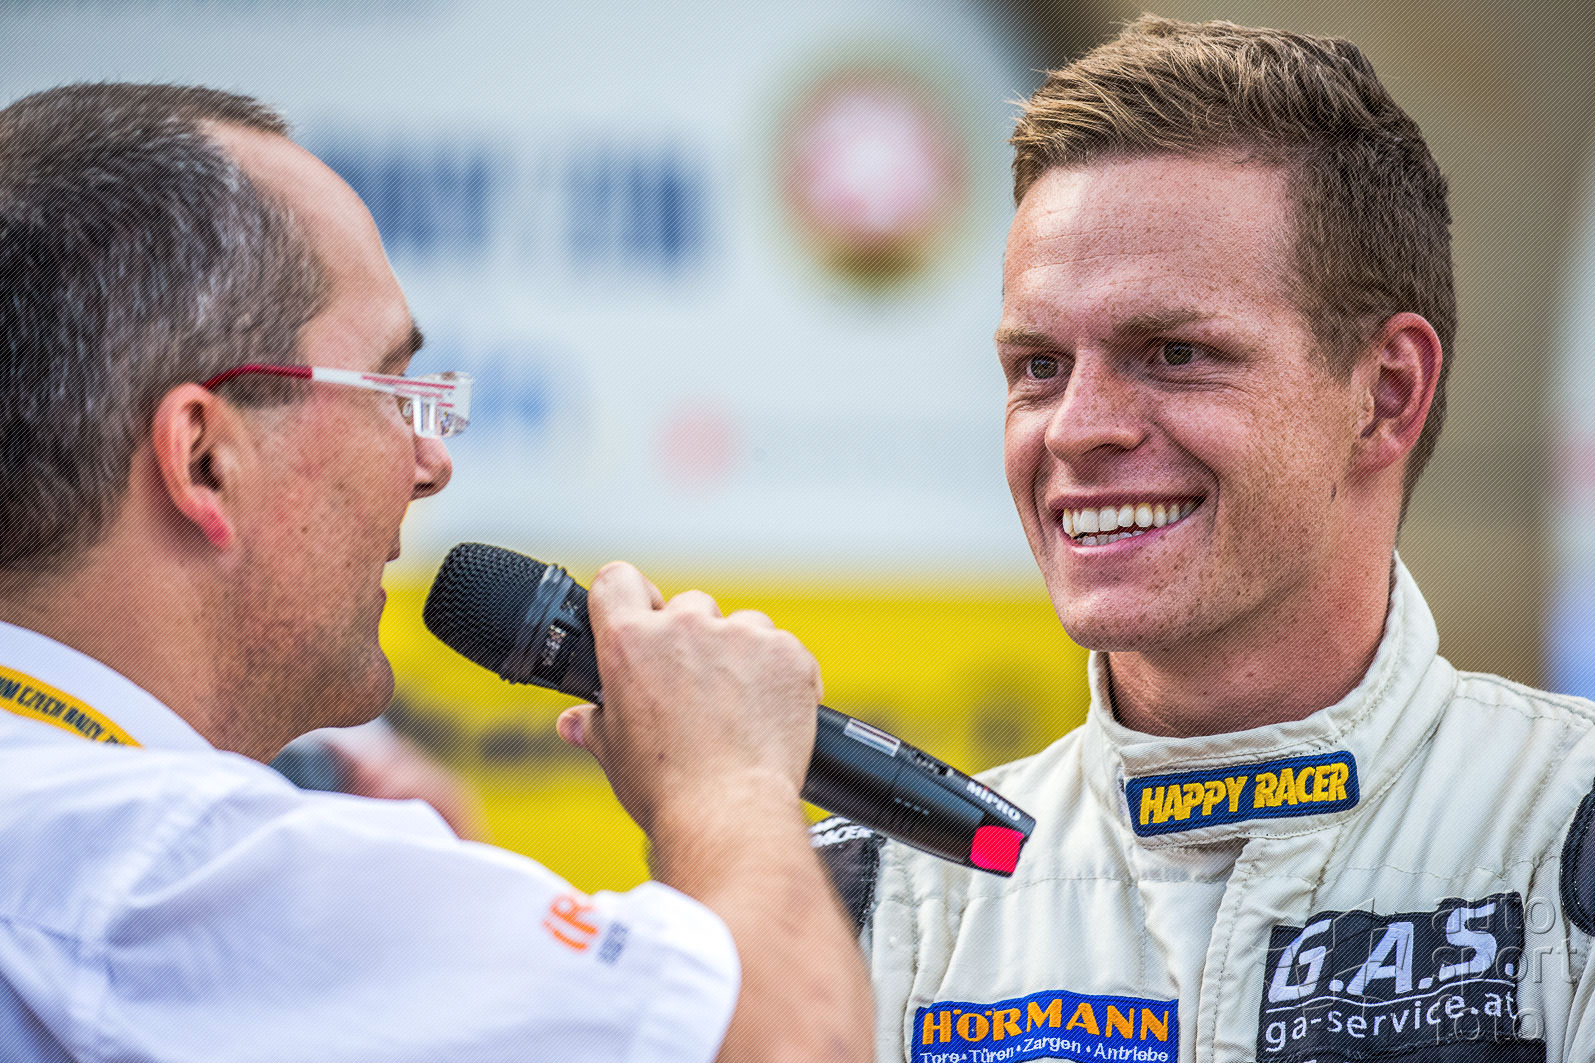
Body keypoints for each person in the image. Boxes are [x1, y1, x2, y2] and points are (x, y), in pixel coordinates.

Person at [0, 82, 870, 1062]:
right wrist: (729, 782)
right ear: (205, 457)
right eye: (390, 388)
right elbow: (799, 1044)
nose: (429, 461)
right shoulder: (178, 865)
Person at [816, 16, 1595, 1063]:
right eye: (1039, 366)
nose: (1077, 428)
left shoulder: (1565, 824)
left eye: (1173, 352)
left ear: (1384, 393)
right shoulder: (881, 896)